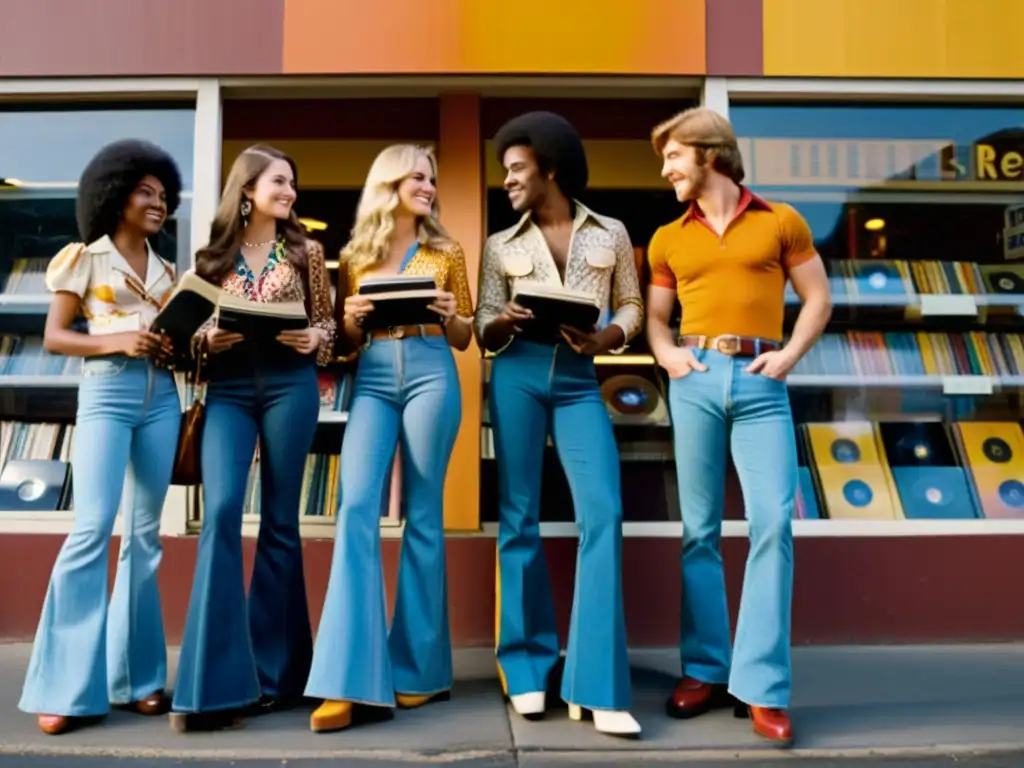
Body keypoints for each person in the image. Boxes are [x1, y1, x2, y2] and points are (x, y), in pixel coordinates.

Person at [644, 107, 832, 745]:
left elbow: (818, 298)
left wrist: (788, 356)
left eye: (672, 157)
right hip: (695, 380)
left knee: (772, 524)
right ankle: (704, 669)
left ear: (708, 154)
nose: (665, 169)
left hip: (761, 381)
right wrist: (668, 356)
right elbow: (655, 319)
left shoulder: (781, 221)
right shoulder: (669, 237)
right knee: (699, 530)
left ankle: (762, 686)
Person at [475, 112, 643, 738]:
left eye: (517, 168)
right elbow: (483, 321)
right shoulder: (500, 244)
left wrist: (608, 334)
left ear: (549, 166)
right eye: (504, 172)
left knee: (603, 512)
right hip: (516, 374)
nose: (509, 180)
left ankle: (596, 684)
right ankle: (525, 670)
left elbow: (629, 301)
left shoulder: (613, 233)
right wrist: (506, 319)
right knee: (518, 515)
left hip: (578, 380)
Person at [306, 144, 472, 733]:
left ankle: (420, 670)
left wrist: (452, 313)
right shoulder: (355, 254)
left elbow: (464, 336)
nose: (428, 186)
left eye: (432, 177)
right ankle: (345, 676)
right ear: (390, 183)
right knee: (355, 508)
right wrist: (350, 319)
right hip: (374, 372)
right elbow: (345, 346)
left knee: (424, 515)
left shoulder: (447, 250)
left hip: (433, 366)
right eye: (418, 177)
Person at [18, 139, 183, 735]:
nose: (158, 203)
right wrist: (117, 341)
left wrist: (176, 344)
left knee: (145, 536)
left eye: (164, 194)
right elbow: (58, 336)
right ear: (115, 195)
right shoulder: (82, 259)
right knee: (91, 530)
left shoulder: (169, 271)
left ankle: (137, 679)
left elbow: (168, 337)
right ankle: (62, 688)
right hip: (107, 394)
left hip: (163, 398)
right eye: (146, 192)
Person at [170, 144, 336, 732]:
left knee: (281, 525)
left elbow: (329, 325)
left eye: (293, 183)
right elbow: (184, 332)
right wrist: (202, 342)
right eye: (279, 182)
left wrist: (316, 340)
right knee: (218, 514)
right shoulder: (210, 258)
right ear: (247, 189)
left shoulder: (308, 251)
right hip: (231, 390)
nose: (289, 192)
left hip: (291, 385)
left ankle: (276, 676)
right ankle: (211, 680)